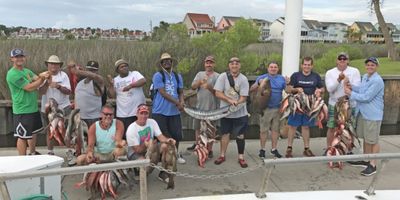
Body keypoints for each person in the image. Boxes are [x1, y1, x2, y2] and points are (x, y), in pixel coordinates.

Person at [6, 48, 50, 155]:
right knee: (22, 136)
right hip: (22, 110)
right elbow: (29, 87)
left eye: (21, 56)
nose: (19, 59)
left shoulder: (27, 71)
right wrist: (42, 78)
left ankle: (32, 153)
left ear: (24, 57)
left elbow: (37, 79)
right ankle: (22, 158)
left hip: (33, 108)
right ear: (12, 59)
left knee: (33, 133)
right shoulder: (12, 74)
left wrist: (45, 76)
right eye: (16, 57)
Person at [345, 57, 384, 176]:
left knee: (373, 140)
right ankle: (366, 160)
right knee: (366, 138)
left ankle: (373, 165)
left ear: (377, 66)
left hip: (373, 115)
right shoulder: (366, 77)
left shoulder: (377, 80)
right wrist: (351, 86)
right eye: (368, 65)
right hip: (362, 113)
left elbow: (367, 97)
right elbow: (361, 90)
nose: (370, 67)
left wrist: (350, 93)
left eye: (372, 65)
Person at [213, 57, 250, 168]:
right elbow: (217, 93)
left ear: (240, 66)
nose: (234, 66)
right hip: (225, 112)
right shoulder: (223, 77)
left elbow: (244, 97)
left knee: (240, 135)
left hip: (241, 113)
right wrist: (229, 100)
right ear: (229, 65)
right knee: (224, 134)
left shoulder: (243, 79)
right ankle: (222, 155)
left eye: (237, 64)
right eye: (232, 64)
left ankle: (241, 157)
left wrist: (237, 103)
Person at [285, 57, 324, 158]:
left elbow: (322, 88)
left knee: (306, 127)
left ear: (312, 66)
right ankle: (289, 148)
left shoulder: (316, 76)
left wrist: (319, 91)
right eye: (305, 64)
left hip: (310, 104)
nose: (307, 66)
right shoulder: (295, 75)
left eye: (309, 65)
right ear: (302, 65)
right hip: (297, 103)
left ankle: (306, 148)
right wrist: (296, 89)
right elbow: (288, 89)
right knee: (292, 126)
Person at [126, 104, 176, 181]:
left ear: (148, 114)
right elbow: (137, 149)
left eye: (146, 113)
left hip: (150, 147)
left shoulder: (152, 122)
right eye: (141, 113)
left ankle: (164, 173)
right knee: (146, 165)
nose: (144, 116)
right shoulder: (131, 129)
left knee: (166, 146)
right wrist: (146, 145)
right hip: (135, 152)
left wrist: (168, 140)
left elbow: (160, 136)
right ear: (137, 114)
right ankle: (138, 171)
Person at [151, 53, 186, 164]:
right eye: (164, 61)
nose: (166, 62)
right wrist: (177, 103)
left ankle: (175, 153)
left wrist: (182, 101)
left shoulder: (177, 76)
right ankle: (162, 156)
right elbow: (162, 92)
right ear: (161, 64)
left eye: (168, 60)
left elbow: (180, 91)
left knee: (176, 135)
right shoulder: (158, 75)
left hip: (174, 112)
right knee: (163, 136)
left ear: (171, 62)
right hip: (160, 111)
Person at [250, 62, 287, 158]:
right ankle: (262, 149)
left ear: (278, 69)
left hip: (278, 108)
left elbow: (287, 90)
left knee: (275, 130)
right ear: (268, 68)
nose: (273, 69)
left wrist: (288, 83)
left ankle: (274, 149)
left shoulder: (281, 79)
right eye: (271, 67)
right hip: (265, 108)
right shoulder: (262, 78)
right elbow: (252, 89)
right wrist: (258, 83)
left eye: (275, 67)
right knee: (263, 130)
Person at [325, 52, 360, 151]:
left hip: (350, 105)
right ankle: (329, 149)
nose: (342, 60)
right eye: (340, 59)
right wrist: (338, 80)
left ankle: (349, 150)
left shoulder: (355, 71)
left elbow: (358, 88)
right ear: (337, 61)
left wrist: (349, 84)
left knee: (350, 128)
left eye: (344, 59)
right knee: (331, 127)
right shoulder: (330, 72)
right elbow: (330, 89)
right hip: (334, 104)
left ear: (348, 61)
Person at [186, 56, 220, 158]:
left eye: (211, 62)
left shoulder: (218, 76)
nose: (209, 64)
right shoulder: (200, 74)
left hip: (213, 108)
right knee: (197, 128)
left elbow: (219, 93)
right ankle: (198, 147)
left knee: (211, 130)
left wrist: (209, 87)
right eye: (207, 62)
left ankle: (209, 150)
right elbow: (192, 87)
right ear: (204, 64)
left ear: (214, 64)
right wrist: (199, 82)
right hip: (199, 108)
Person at [39, 55, 72, 155]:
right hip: (48, 109)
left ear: (59, 65)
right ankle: (50, 152)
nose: (53, 65)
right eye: (51, 63)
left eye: (56, 64)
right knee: (50, 130)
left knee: (65, 130)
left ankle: (69, 151)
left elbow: (68, 91)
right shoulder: (43, 76)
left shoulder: (64, 76)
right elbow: (41, 92)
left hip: (63, 107)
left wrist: (58, 86)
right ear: (48, 65)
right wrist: (46, 83)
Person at [107, 59, 146, 139]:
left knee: (139, 136)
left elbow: (143, 81)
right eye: (121, 67)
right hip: (123, 114)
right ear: (117, 70)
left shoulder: (135, 74)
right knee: (125, 136)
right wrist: (111, 85)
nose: (124, 68)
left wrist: (130, 86)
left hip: (137, 112)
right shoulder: (115, 80)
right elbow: (112, 96)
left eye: (126, 66)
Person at [72, 61, 105, 128]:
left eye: (93, 70)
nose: (91, 72)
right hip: (80, 118)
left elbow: (94, 76)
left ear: (97, 71)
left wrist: (76, 71)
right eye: (89, 70)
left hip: (94, 118)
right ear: (86, 69)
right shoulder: (80, 83)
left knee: (94, 137)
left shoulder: (99, 81)